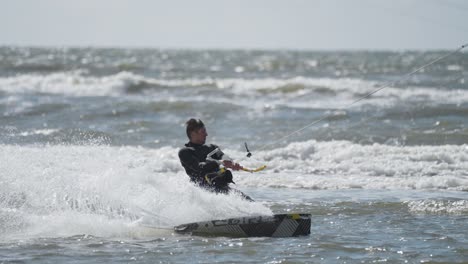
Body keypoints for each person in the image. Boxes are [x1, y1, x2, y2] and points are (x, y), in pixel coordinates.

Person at [178, 118, 252, 201]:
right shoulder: (185, 152)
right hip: (204, 194)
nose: (206, 134)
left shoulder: (212, 148)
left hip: (223, 189)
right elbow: (199, 167)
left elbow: (223, 157)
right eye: (203, 131)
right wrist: (220, 162)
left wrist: (231, 164)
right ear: (193, 133)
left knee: (250, 201)